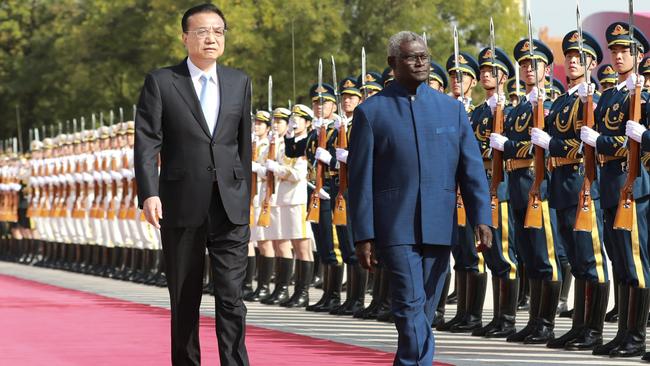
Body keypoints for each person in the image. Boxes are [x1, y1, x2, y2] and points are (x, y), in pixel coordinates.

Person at [348, 30, 492, 366]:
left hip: (440, 225)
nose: (420, 61)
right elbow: (360, 180)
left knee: (424, 308)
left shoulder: (451, 110)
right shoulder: (371, 112)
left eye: (424, 56)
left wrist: (481, 218)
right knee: (409, 304)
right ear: (393, 63)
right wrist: (363, 234)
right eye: (412, 56)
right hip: (395, 227)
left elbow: (471, 170)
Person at [134, 4, 251, 366]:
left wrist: (246, 195)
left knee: (231, 297)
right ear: (185, 37)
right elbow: (147, 140)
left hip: (230, 205)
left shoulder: (239, 82)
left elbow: (243, 146)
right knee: (185, 298)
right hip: (181, 202)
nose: (211, 38)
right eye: (202, 31)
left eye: (218, 31)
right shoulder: (162, 81)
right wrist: (149, 193)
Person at [532, 30, 609, 350]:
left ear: (592, 63)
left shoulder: (594, 100)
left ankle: (593, 329)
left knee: (590, 258)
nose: (574, 62)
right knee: (576, 260)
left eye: (580, 58)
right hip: (561, 184)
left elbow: (586, 141)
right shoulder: (564, 99)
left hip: (583, 182)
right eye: (570, 58)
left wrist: (553, 143)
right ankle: (579, 326)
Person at [584, 21, 650, 359]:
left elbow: (635, 140)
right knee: (621, 262)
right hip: (610, 186)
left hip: (632, 185)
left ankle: (636, 336)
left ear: (640, 55)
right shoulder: (609, 95)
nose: (620, 55)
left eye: (626, 50)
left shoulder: (645, 96)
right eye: (616, 50)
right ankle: (624, 332)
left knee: (636, 263)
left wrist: (603, 141)